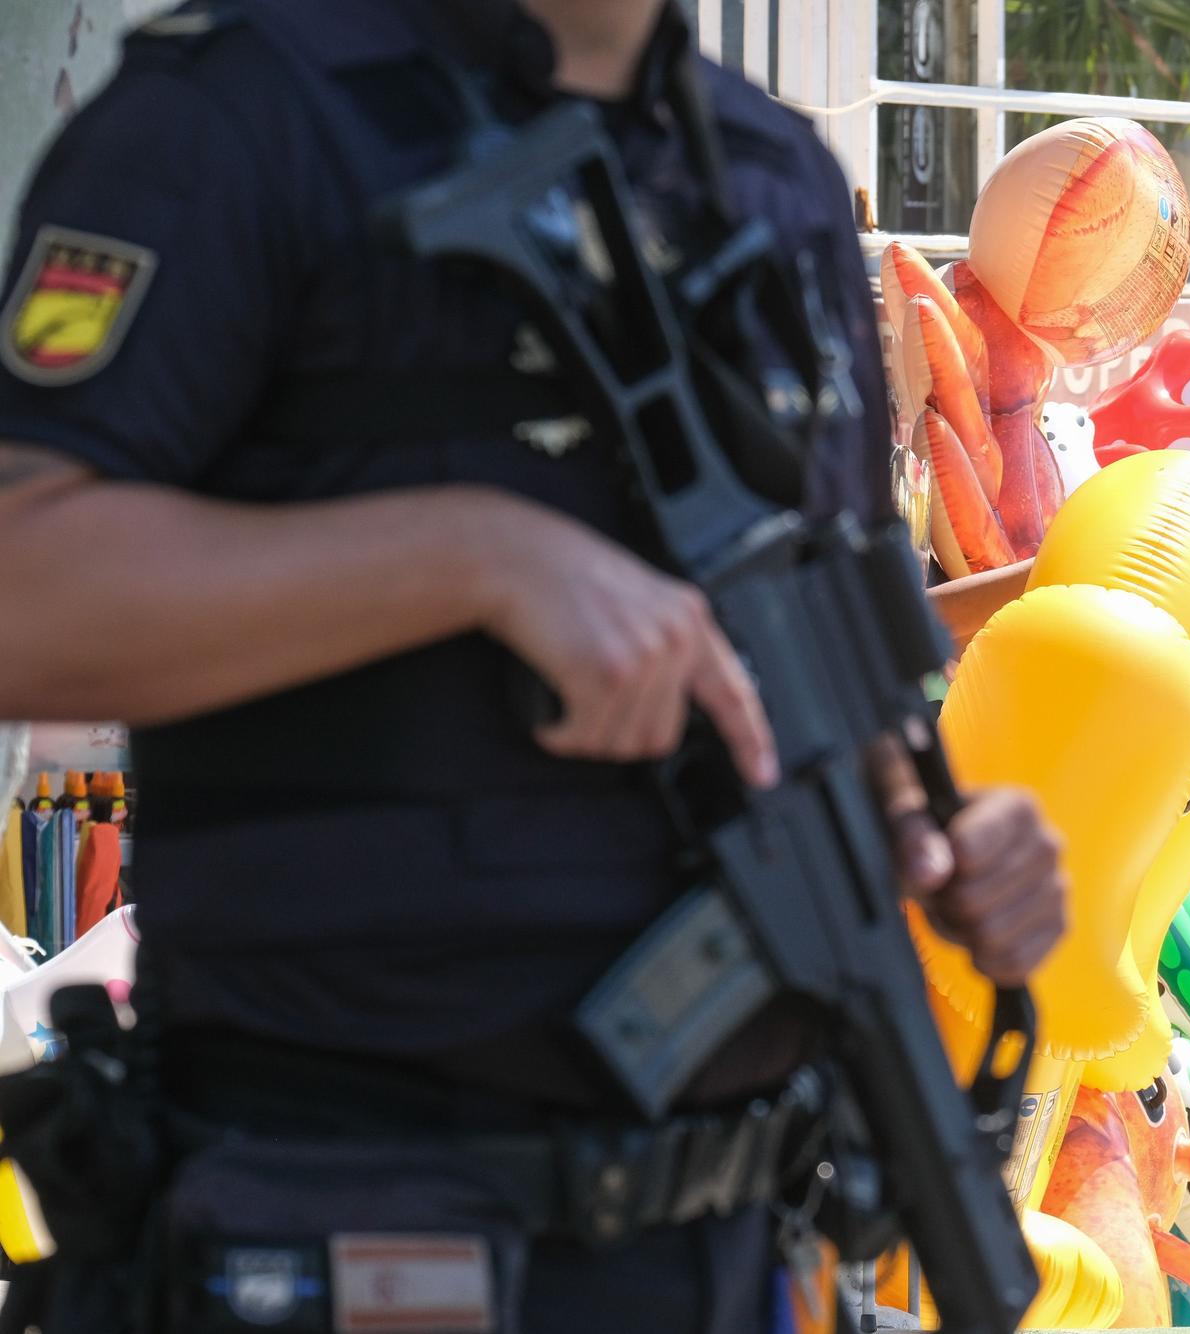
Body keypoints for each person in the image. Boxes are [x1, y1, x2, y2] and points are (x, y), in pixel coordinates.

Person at [0, 0, 1067, 1329]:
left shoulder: (774, 180)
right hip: (349, 1230)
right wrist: (469, 558)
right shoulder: (232, 120)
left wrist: (939, 833)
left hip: (725, 1251)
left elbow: (815, 669)